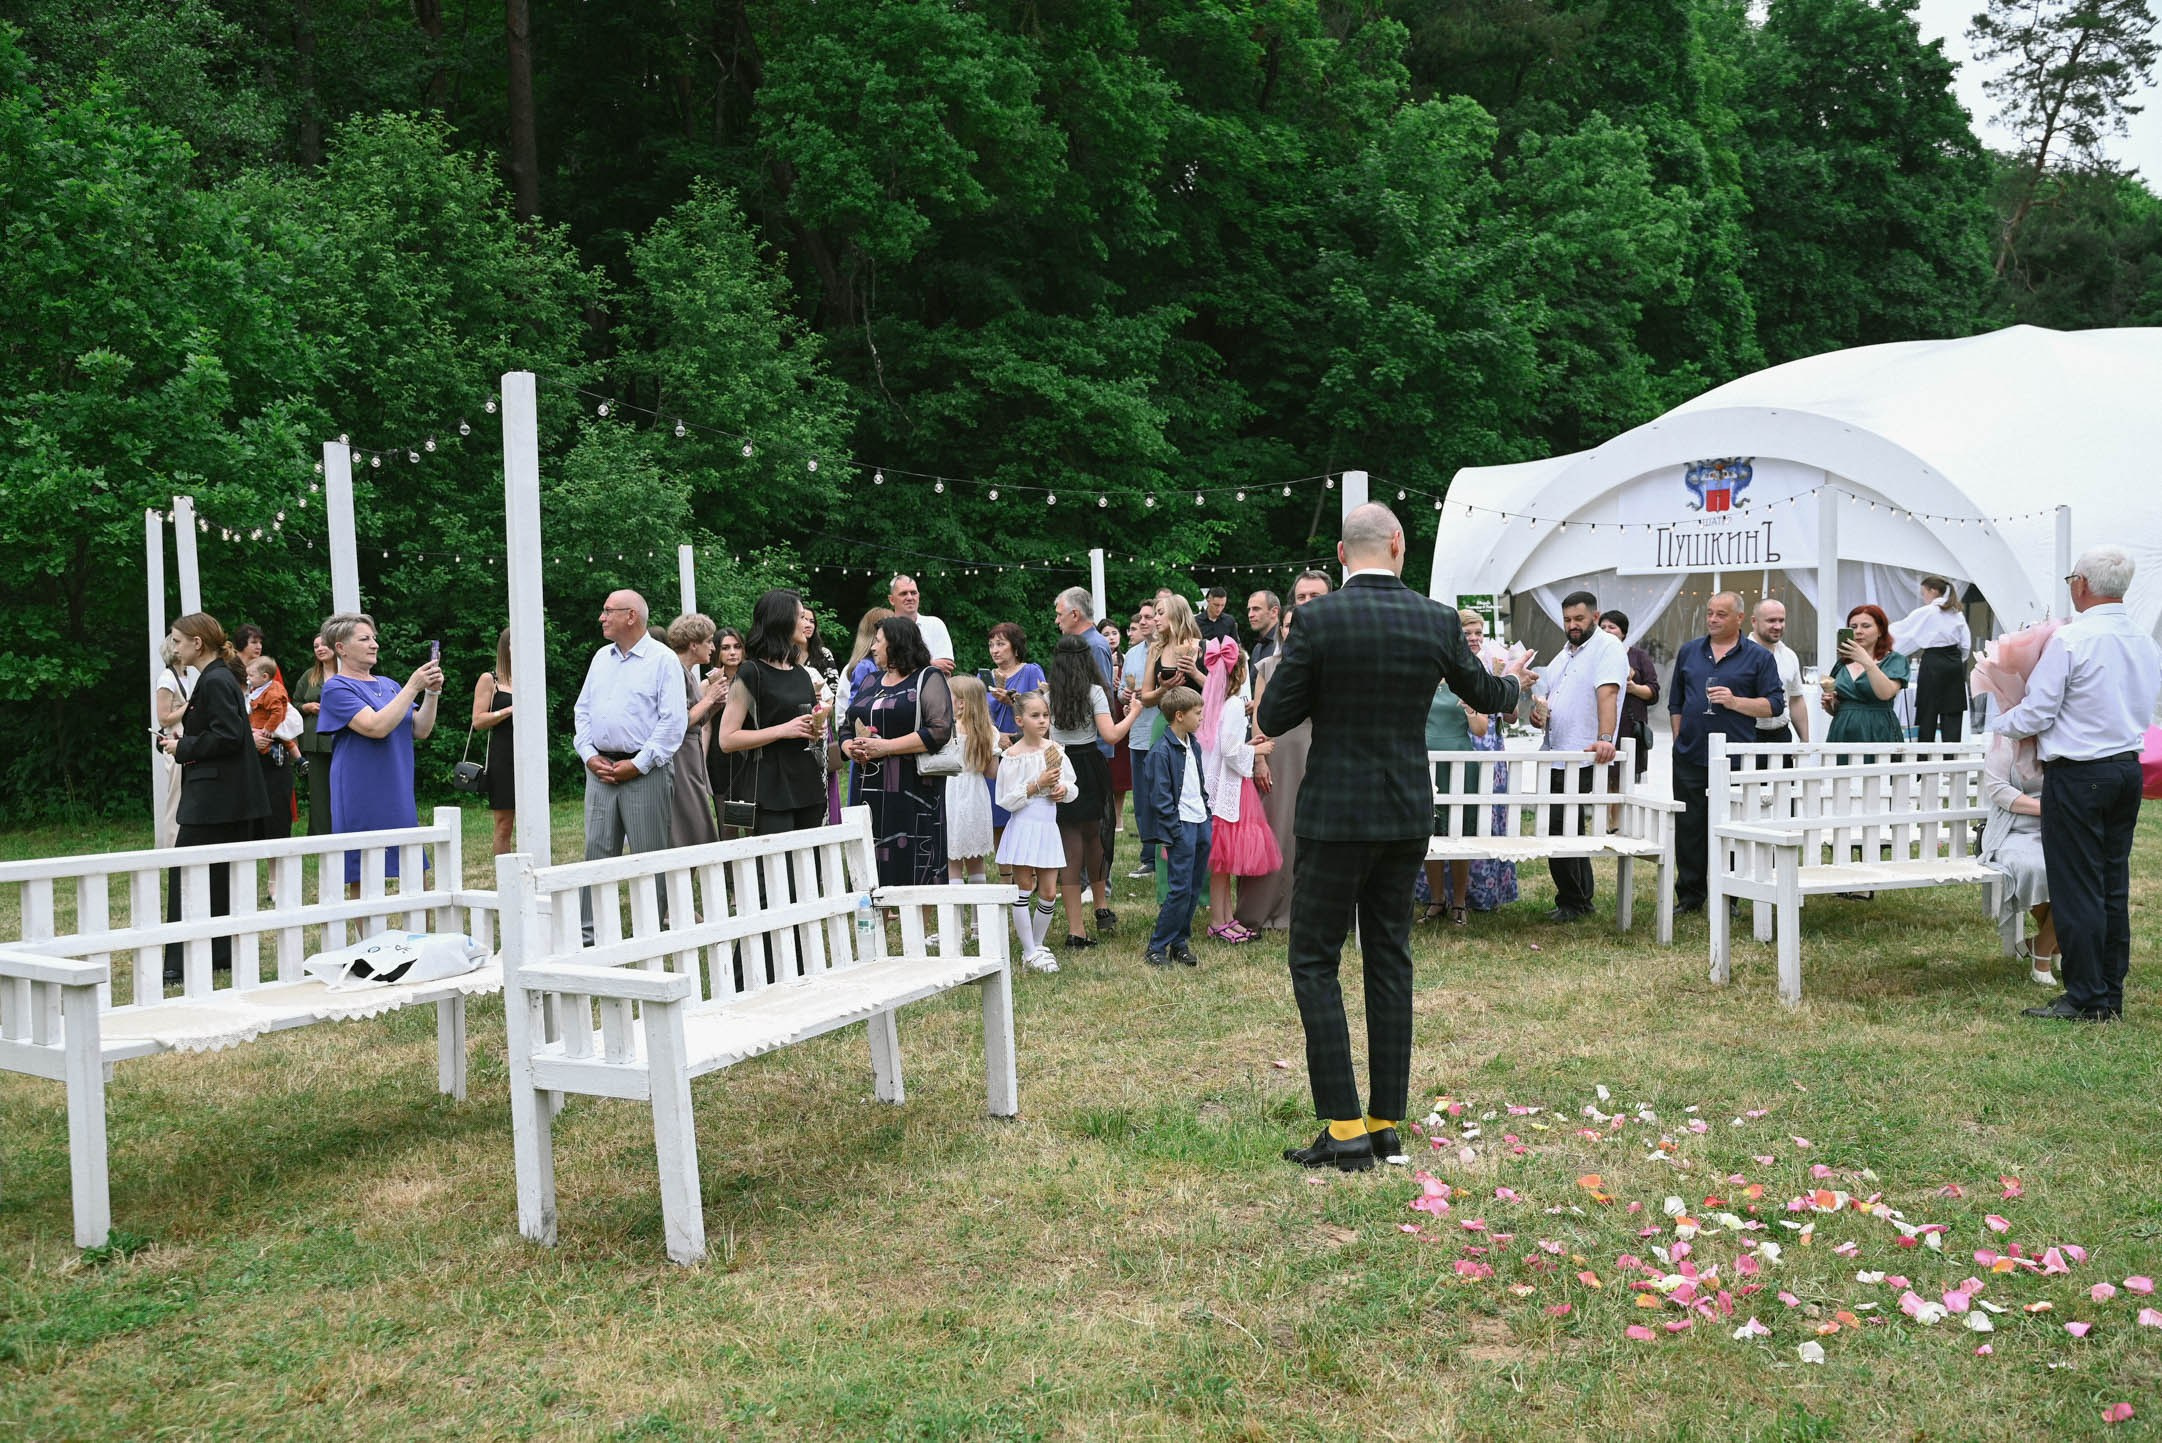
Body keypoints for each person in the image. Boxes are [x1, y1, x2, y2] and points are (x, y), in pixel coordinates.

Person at [1256, 504, 1527, 1171]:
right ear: (1399, 545)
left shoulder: (1317, 618)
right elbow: (1490, 694)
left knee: (1315, 960)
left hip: (1335, 813)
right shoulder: (1435, 618)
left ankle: (1345, 1125)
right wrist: (1518, 677)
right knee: (1389, 958)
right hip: (1406, 811)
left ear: (1344, 555)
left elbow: (1274, 713)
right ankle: (1383, 1122)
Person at [1994, 545, 2160, 1022]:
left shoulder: (2071, 640)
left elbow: (2040, 710)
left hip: (2080, 771)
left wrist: (2001, 718)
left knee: (2076, 885)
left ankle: (2086, 996)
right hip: (2126, 768)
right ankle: (2109, 992)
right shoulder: (2146, 642)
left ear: (2081, 584)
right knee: (2112, 883)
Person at [155, 613, 272, 983]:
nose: (173, 648)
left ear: (196, 643)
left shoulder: (216, 679)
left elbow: (227, 734)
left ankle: (178, 962)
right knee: (219, 874)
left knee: (187, 874)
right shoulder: (219, 677)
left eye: (177, 640)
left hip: (216, 797)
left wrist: (181, 745)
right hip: (224, 795)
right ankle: (218, 952)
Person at [571, 590, 687, 939]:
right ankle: (589, 934)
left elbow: (672, 723)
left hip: (644, 772)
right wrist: (589, 755)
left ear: (631, 616)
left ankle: (650, 931)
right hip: (600, 770)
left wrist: (637, 765)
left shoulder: (663, 660)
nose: (601, 618)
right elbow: (582, 712)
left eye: (608, 611)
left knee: (648, 852)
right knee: (597, 850)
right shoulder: (600, 659)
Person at [1666, 592, 1784, 914]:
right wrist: (1679, 737)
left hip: (1734, 757)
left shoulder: (1759, 658)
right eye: (1710, 613)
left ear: (1739, 619)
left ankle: (1728, 894)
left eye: (1721, 614)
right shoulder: (1690, 652)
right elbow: (1675, 701)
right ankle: (1690, 897)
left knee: (1729, 828)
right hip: (1690, 755)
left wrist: (1735, 703)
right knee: (1690, 828)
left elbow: (1774, 704)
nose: (1713, 619)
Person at [319, 611, 443, 891]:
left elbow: (421, 729)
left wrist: (431, 693)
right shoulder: (336, 688)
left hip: (396, 788)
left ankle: (417, 935)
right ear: (341, 648)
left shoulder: (389, 685)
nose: (374, 644)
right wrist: (413, 686)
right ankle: (371, 937)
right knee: (362, 872)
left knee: (414, 868)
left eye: (374, 638)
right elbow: (375, 727)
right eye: (364, 639)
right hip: (360, 790)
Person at [1527, 590, 1628, 923]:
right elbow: (1549, 697)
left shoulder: (1607, 648)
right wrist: (1537, 714)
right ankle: (1578, 899)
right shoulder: (1566, 653)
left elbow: (1608, 693)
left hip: (1581, 754)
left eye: (1579, 619)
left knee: (1562, 826)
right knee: (1563, 827)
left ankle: (1574, 901)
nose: (1572, 625)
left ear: (1595, 617)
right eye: (1568, 619)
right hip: (1555, 751)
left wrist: (1604, 739)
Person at [842, 614, 956, 887]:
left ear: (896, 644)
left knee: (917, 857)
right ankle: (877, 919)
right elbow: (847, 724)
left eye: (878, 641)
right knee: (872, 854)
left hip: (913, 788)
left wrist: (886, 747)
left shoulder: (928, 678)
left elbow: (939, 730)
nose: (872, 647)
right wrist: (849, 747)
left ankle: (919, 925)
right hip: (869, 785)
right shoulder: (870, 680)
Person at [1047, 634, 1140, 948]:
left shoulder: (1048, 696)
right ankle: (1101, 907)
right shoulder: (1095, 692)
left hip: (1061, 767)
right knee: (1096, 838)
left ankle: (1076, 929)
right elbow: (1111, 735)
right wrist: (1134, 713)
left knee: (1070, 849)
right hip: (1090, 764)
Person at [716, 590, 829, 836]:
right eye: (800, 617)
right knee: (775, 870)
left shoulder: (800, 673)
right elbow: (726, 739)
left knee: (809, 867)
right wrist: (782, 730)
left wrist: (816, 726)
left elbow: (806, 726)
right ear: (781, 620)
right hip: (769, 787)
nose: (806, 623)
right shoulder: (750, 672)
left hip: (806, 782)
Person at [1234, 605, 1313, 933]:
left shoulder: (1320, 664)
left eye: (1298, 626)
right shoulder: (1267, 665)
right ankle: (1262, 907)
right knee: (1273, 827)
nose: (1291, 632)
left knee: (1304, 831)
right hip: (1275, 752)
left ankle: (1304, 909)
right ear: (1280, 630)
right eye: (1286, 626)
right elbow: (1260, 717)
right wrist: (1260, 759)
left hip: (1311, 751)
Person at [1203, 642, 1279, 943]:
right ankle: (1218, 920)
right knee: (1223, 864)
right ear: (1242, 671)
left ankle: (1226, 916)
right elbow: (1230, 751)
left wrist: (1248, 745)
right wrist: (1258, 749)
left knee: (1223, 866)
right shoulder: (1234, 704)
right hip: (1231, 791)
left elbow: (1223, 748)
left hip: (1218, 785)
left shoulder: (1216, 703)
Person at [994, 692, 1074, 972]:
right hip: (1025, 825)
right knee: (1024, 887)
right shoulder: (1012, 757)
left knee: (1050, 891)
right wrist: (1035, 785)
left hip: (1047, 826)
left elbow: (1071, 784)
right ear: (1020, 721)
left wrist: (1063, 791)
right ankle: (1028, 950)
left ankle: (1037, 946)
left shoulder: (1055, 750)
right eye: (1035, 716)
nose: (1042, 721)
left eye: (1045, 715)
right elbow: (1004, 798)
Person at [1137, 685, 1209, 969]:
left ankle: (1179, 941)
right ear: (1179, 715)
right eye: (1197, 713)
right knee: (1179, 888)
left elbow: (1198, 784)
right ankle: (1157, 946)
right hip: (1182, 826)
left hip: (1201, 822)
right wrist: (1174, 831)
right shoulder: (1161, 752)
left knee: (1193, 887)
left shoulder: (1195, 745)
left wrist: (1208, 814)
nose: (1201, 717)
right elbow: (1160, 797)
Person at [1419, 677, 1485, 926]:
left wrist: (1470, 708)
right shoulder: (1421, 674)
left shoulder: (1464, 678)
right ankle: (1436, 900)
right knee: (1429, 830)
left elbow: (1480, 729)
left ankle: (1459, 902)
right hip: (1425, 757)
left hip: (1459, 762)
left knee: (1459, 831)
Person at [667, 613, 727, 847]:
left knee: (698, 823)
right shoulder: (674, 672)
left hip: (690, 754)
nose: (713, 647)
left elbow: (696, 720)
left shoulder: (689, 674)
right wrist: (710, 698)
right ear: (694, 645)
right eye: (709, 641)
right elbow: (679, 722)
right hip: (680, 757)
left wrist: (714, 706)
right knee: (693, 826)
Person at [984, 621, 1045, 845]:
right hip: (995, 749)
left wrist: (1012, 701)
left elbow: (1040, 707)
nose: (995, 650)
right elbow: (980, 715)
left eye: (1000, 644)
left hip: (1024, 748)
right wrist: (993, 735)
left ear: (1015, 647)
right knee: (998, 812)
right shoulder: (986, 677)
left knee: (1026, 811)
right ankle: (1005, 871)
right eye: (991, 645)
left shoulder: (1031, 671)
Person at [1894, 576, 1972, 743]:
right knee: (1952, 715)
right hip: (1954, 663)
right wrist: (1957, 660)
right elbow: (1966, 645)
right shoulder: (1957, 613)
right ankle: (1951, 762)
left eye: (1924, 593)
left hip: (1933, 661)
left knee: (1927, 713)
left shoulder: (1927, 612)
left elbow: (1902, 630)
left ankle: (1924, 763)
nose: (1924, 598)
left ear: (1933, 591)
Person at [1823, 604, 1908, 754]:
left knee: (1877, 776)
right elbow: (1839, 708)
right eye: (1853, 627)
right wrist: (1831, 704)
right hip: (1842, 732)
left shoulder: (1895, 661)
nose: (1858, 631)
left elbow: (1885, 693)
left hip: (1878, 731)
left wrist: (1866, 661)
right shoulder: (1842, 664)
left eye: (1866, 626)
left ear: (1880, 630)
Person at [945, 675, 998, 886]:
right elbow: (992, 772)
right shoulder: (989, 732)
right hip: (976, 793)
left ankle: (955, 917)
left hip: (951, 791)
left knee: (952, 859)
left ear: (961, 703)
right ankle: (979, 918)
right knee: (976, 860)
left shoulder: (945, 730)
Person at [1122, 601, 1161, 880]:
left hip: (1164, 730)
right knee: (1143, 798)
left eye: (1151, 616)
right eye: (1143, 617)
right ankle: (1148, 856)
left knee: (1164, 796)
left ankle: (1167, 853)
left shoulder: (1170, 650)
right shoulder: (1133, 654)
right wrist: (1125, 697)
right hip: (1138, 733)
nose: (1146, 621)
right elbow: (1126, 690)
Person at [244, 655, 302, 842]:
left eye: (251, 675)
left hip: (272, 760)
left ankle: (277, 865)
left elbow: (293, 722)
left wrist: (268, 731)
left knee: (276, 818)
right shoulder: (249, 691)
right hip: (249, 759)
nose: (248, 679)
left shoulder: (273, 691)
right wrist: (250, 736)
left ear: (265, 676)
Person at [1600, 611, 1661, 781]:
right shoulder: (1594, 656)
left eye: (1612, 627)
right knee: (1601, 778)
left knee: (1622, 781)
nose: (1606, 630)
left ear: (1623, 633)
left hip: (1629, 727)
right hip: (1601, 727)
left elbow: (1654, 692)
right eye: (1602, 627)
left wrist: (1633, 689)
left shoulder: (1638, 656)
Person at [472, 628, 518, 855]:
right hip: (503, 757)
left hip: (528, 755)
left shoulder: (529, 678)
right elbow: (478, 721)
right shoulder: (490, 679)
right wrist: (508, 710)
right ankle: (506, 881)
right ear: (506, 647)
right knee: (504, 824)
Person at [154, 640, 199, 849]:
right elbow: (163, 719)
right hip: (175, 740)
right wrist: (189, 706)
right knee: (176, 794)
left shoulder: (188, 676)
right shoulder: (166, 678)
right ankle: (173, 845)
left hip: (189, 739)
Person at [293, 632, 339, 837]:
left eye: (324, 644)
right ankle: (320, 835)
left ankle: (346, 830)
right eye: (315, 646)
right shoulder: (309, 676)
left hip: (341, 739)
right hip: (315, 742)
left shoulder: (348, 672)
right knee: (319, 792)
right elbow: (292, 704)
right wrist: (306, 707)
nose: (320, 648)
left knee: (343, 787)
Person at [705, 626, 750, 827]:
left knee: (751, 820)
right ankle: (729, 860)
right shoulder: (708, 685)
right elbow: (705, 726)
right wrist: (701, 760)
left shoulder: (753, 678)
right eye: (725, 648)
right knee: (727, 824)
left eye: (737, 646)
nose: (732, 652)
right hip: (719, 755)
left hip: (749, 751)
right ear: (717, 651)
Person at [1749, 599, 1809, 748]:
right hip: (1748, 735)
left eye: (1781, 620)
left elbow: (1796, 699)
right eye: (1771, 621)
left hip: (1781, 736)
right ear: (1754, 621)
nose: (1778, 626)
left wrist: (1805, 742)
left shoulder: (1790, 655)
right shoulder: (1740, 655)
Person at [888, 574, 955, 674]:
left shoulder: (935, 624)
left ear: (918, 596)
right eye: (903, 593)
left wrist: (909, 666)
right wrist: (931, 664)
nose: (910, 597)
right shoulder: (886, 629)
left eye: (913, 593)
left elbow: (947, 666)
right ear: (892, 600)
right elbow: (889, 666)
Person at [1247, 589, 1283, 669]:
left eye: (1256, 609)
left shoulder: (1284, 643)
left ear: (1274, 612)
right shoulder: (1257, 648)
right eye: (1249, 610)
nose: (1250, 615)